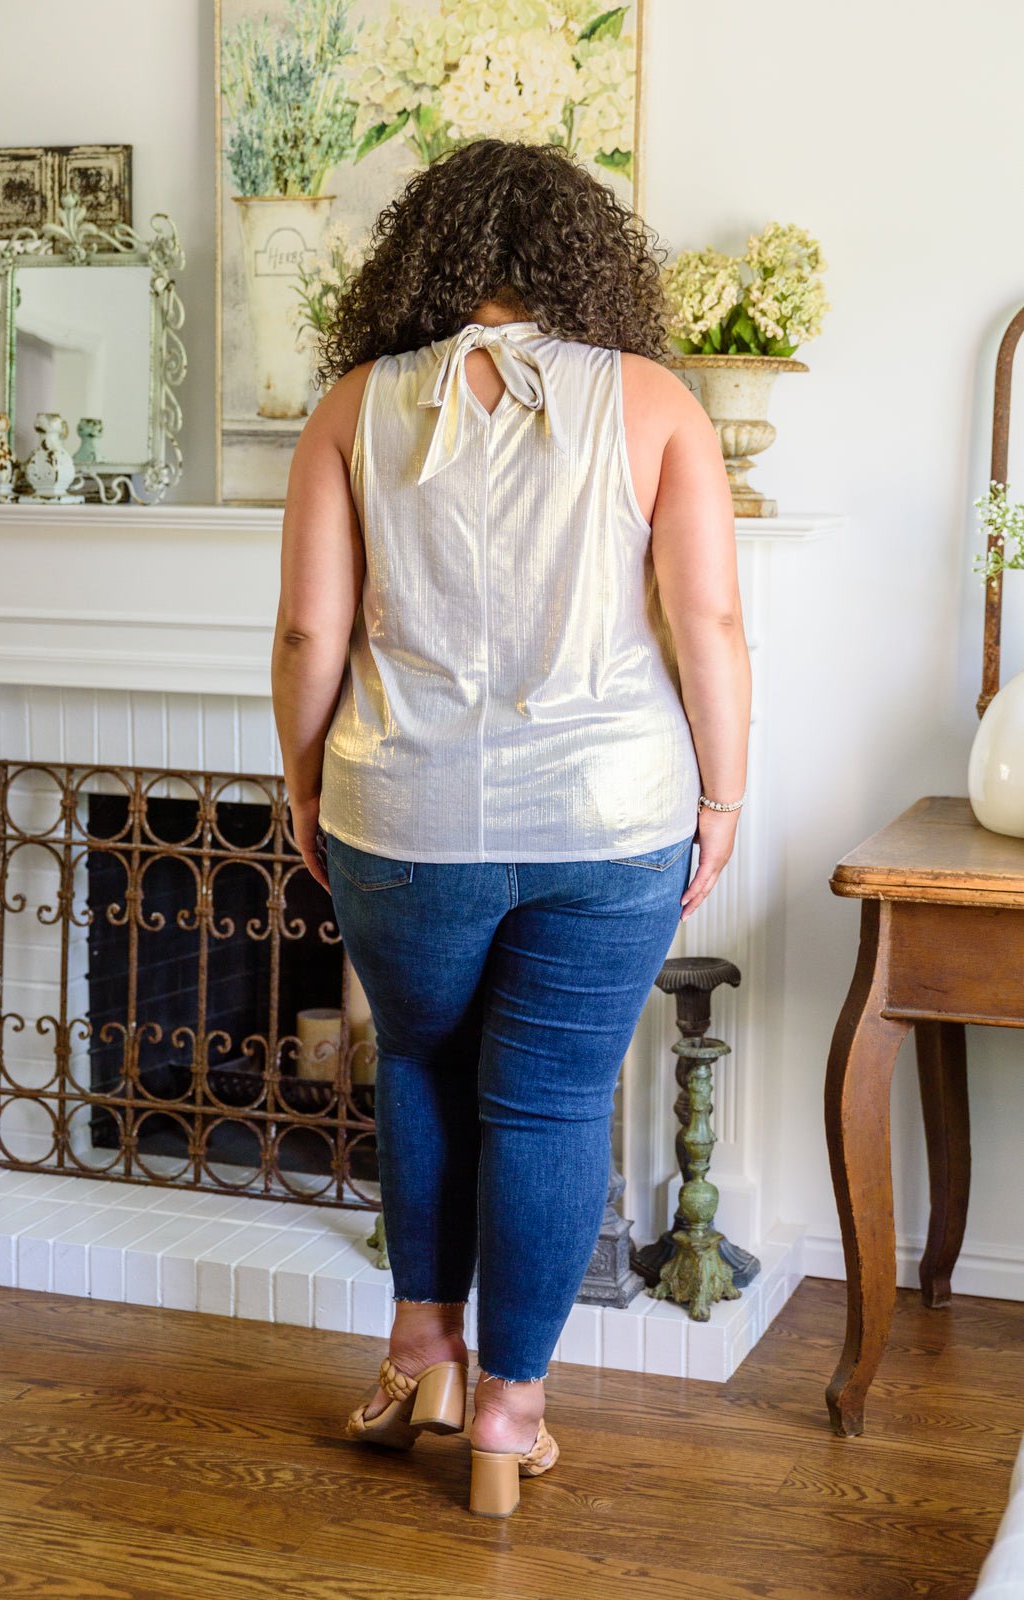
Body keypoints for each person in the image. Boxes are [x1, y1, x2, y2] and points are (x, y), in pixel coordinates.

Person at [271, 136, 750, 1518]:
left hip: (399, 813)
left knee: (420, 1064)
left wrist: (303, 783)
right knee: (550, 1103)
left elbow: (308, 633)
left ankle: (419, 1357)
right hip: (609, 820)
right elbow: (711, 623)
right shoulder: (655, 401)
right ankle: (508, 1416)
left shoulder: (352, 405)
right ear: (584, 258)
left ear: (421, 256)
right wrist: (723, 798)